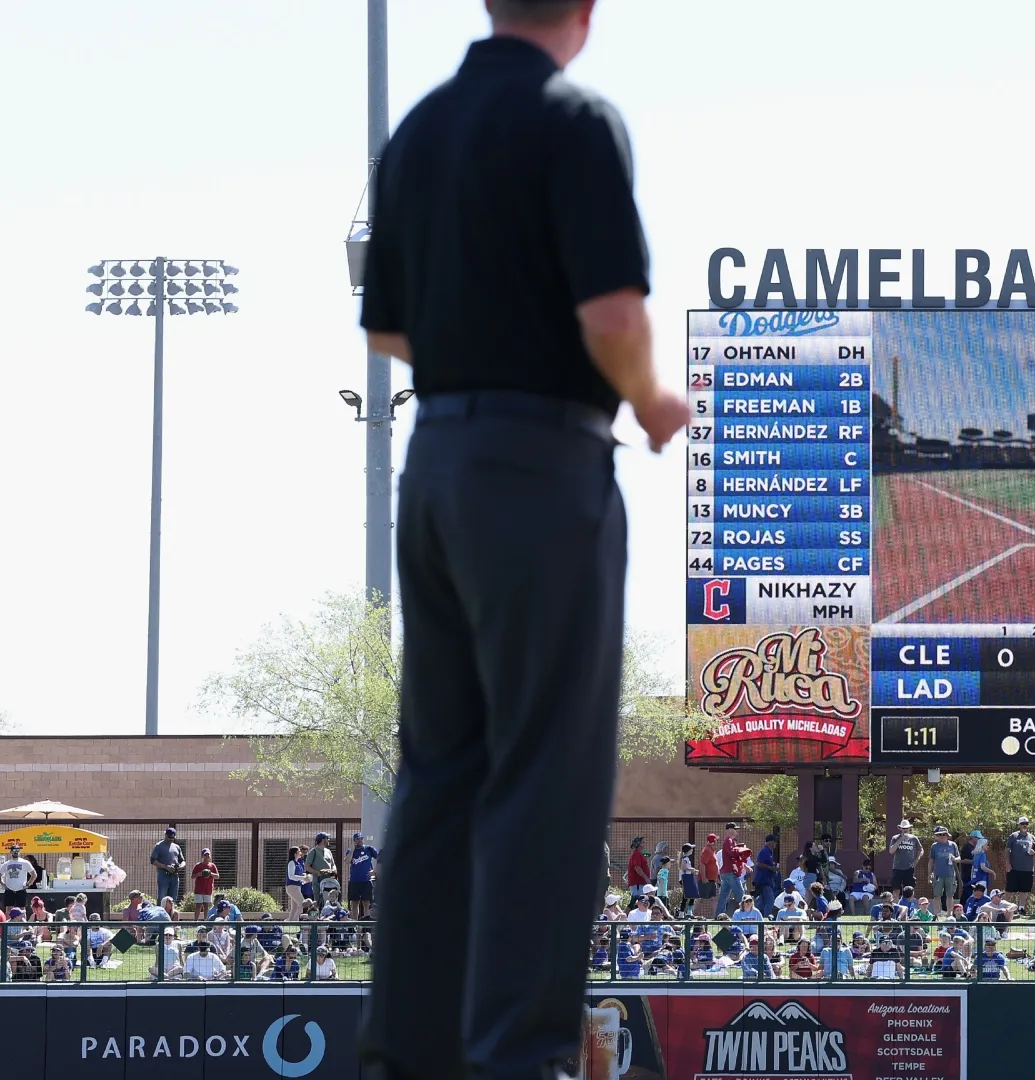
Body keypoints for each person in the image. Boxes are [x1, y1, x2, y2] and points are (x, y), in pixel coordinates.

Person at [356, 0, 691, 1072]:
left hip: (436, 463)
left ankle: (409, 1053)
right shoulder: (574, 118)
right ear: (583, 13)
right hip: (541, 461)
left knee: (440, 771)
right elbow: (612, 316)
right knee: (547, 772)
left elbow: (387, 328)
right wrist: (648, 402)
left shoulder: (421, 127)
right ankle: (517, 1053)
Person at [1004, 818, 1035, 912]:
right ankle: (1004, 909)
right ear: (1019, 825)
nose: (1024, 825)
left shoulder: (1032, 837)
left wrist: (1033, 852)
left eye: (1026, 823)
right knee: (1009, 890)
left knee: (1024, 890)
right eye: (1022, 823)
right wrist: (1008, 862)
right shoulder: (1013, 836)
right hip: (1014, 868)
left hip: (1027, 869)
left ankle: (1021, 908)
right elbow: (1007, 850)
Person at [716, 823, 748, 917]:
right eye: (735, 829)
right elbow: (731, 853)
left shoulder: (729, 841)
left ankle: (718, 916)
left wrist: (738, 847)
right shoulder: (729, 840)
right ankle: (748, 914)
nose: (736, 831)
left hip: (726, 873)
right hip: (731, 873)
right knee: (741, 895)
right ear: (729, 829)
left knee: (723, 896)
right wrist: (741, 849)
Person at [928, 826, 960, 915]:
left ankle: (949, 914)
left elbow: (959, 858)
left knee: (950, 895)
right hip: (938, 874)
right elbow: (931, 861)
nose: (942, 836)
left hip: (950, 874)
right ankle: (936, 915)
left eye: (944, 834)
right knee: (937, 895)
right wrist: (929, 874)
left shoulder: (953, 845)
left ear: (947, 835)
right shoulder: (934, 846)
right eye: (940, 834)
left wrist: (955, 859)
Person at [150, 826, 186, 905]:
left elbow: (183, 861)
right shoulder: (158, 846)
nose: (171, 839)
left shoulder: (177, 847)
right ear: (165, 835)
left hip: (175, 876)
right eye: (169, 837)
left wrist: (180, 867)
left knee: (173, 899)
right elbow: (153, 860)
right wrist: (165, 867)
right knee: (162, 898)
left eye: (173, 838)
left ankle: (171, 916)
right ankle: (160, 915)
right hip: (163, 875)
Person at [347, 832, 379, 921]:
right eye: (358, 839)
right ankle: (354, 924)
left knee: (366, 903)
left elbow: (380, 858)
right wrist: (352, 850)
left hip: (366, 881)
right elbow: (347, 861)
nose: (360, 840)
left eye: (361, 839)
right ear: (354, 840)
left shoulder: (368, 849)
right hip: (354, 881)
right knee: (354, 903)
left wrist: (375, 871)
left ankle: (365, 924)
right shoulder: (351, 851)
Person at [887, 819, 923, 894]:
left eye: (906, 828)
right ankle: (896, 905)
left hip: (909, 868)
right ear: (900, 828)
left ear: (909, 828)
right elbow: (891, 851)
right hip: (897, 868)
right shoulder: (895, 838)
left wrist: (916, 860)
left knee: (909, 890)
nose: (905, 830)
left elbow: (921, 850)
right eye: (903, 828)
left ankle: (908, 905)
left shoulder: (914, 838)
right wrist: (900, 839)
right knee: (896, 890)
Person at [188, 848, 220, 918]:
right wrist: (199, 874)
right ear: (202, 856)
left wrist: (210, 873)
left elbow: (217, 876)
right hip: (199, 890)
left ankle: (206, 922)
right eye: (205, 855)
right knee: (198, 906)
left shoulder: (212, 866)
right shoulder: (198, 866)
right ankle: (195, 921)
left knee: (206, 906)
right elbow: (192, 876)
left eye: (208, 855)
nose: (207, 856)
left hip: (208, 890)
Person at [754, 833, 780, 916]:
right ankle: (766, 918)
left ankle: (755, 916)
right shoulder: (765, 851)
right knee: (770, 901)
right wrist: (771, 868)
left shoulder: (769, 852)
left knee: (762, 901)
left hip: (765, 880)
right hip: (764, 880)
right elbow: (758, 863)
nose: (776, 844)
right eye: (775, 842)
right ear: (771, 842)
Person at [0, 844, 30, 912]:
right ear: (10, 852)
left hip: (21, 889)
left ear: (19, 851)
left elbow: (34, 874)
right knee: (9, 909)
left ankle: (23, 923)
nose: (16, 852)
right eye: (14, 850)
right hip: (9, 890)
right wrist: (3, 884)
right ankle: (7, 923)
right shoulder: (6, 864)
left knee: (22, 910)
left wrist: (28, 884)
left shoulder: (25, 862)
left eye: (17, 850)